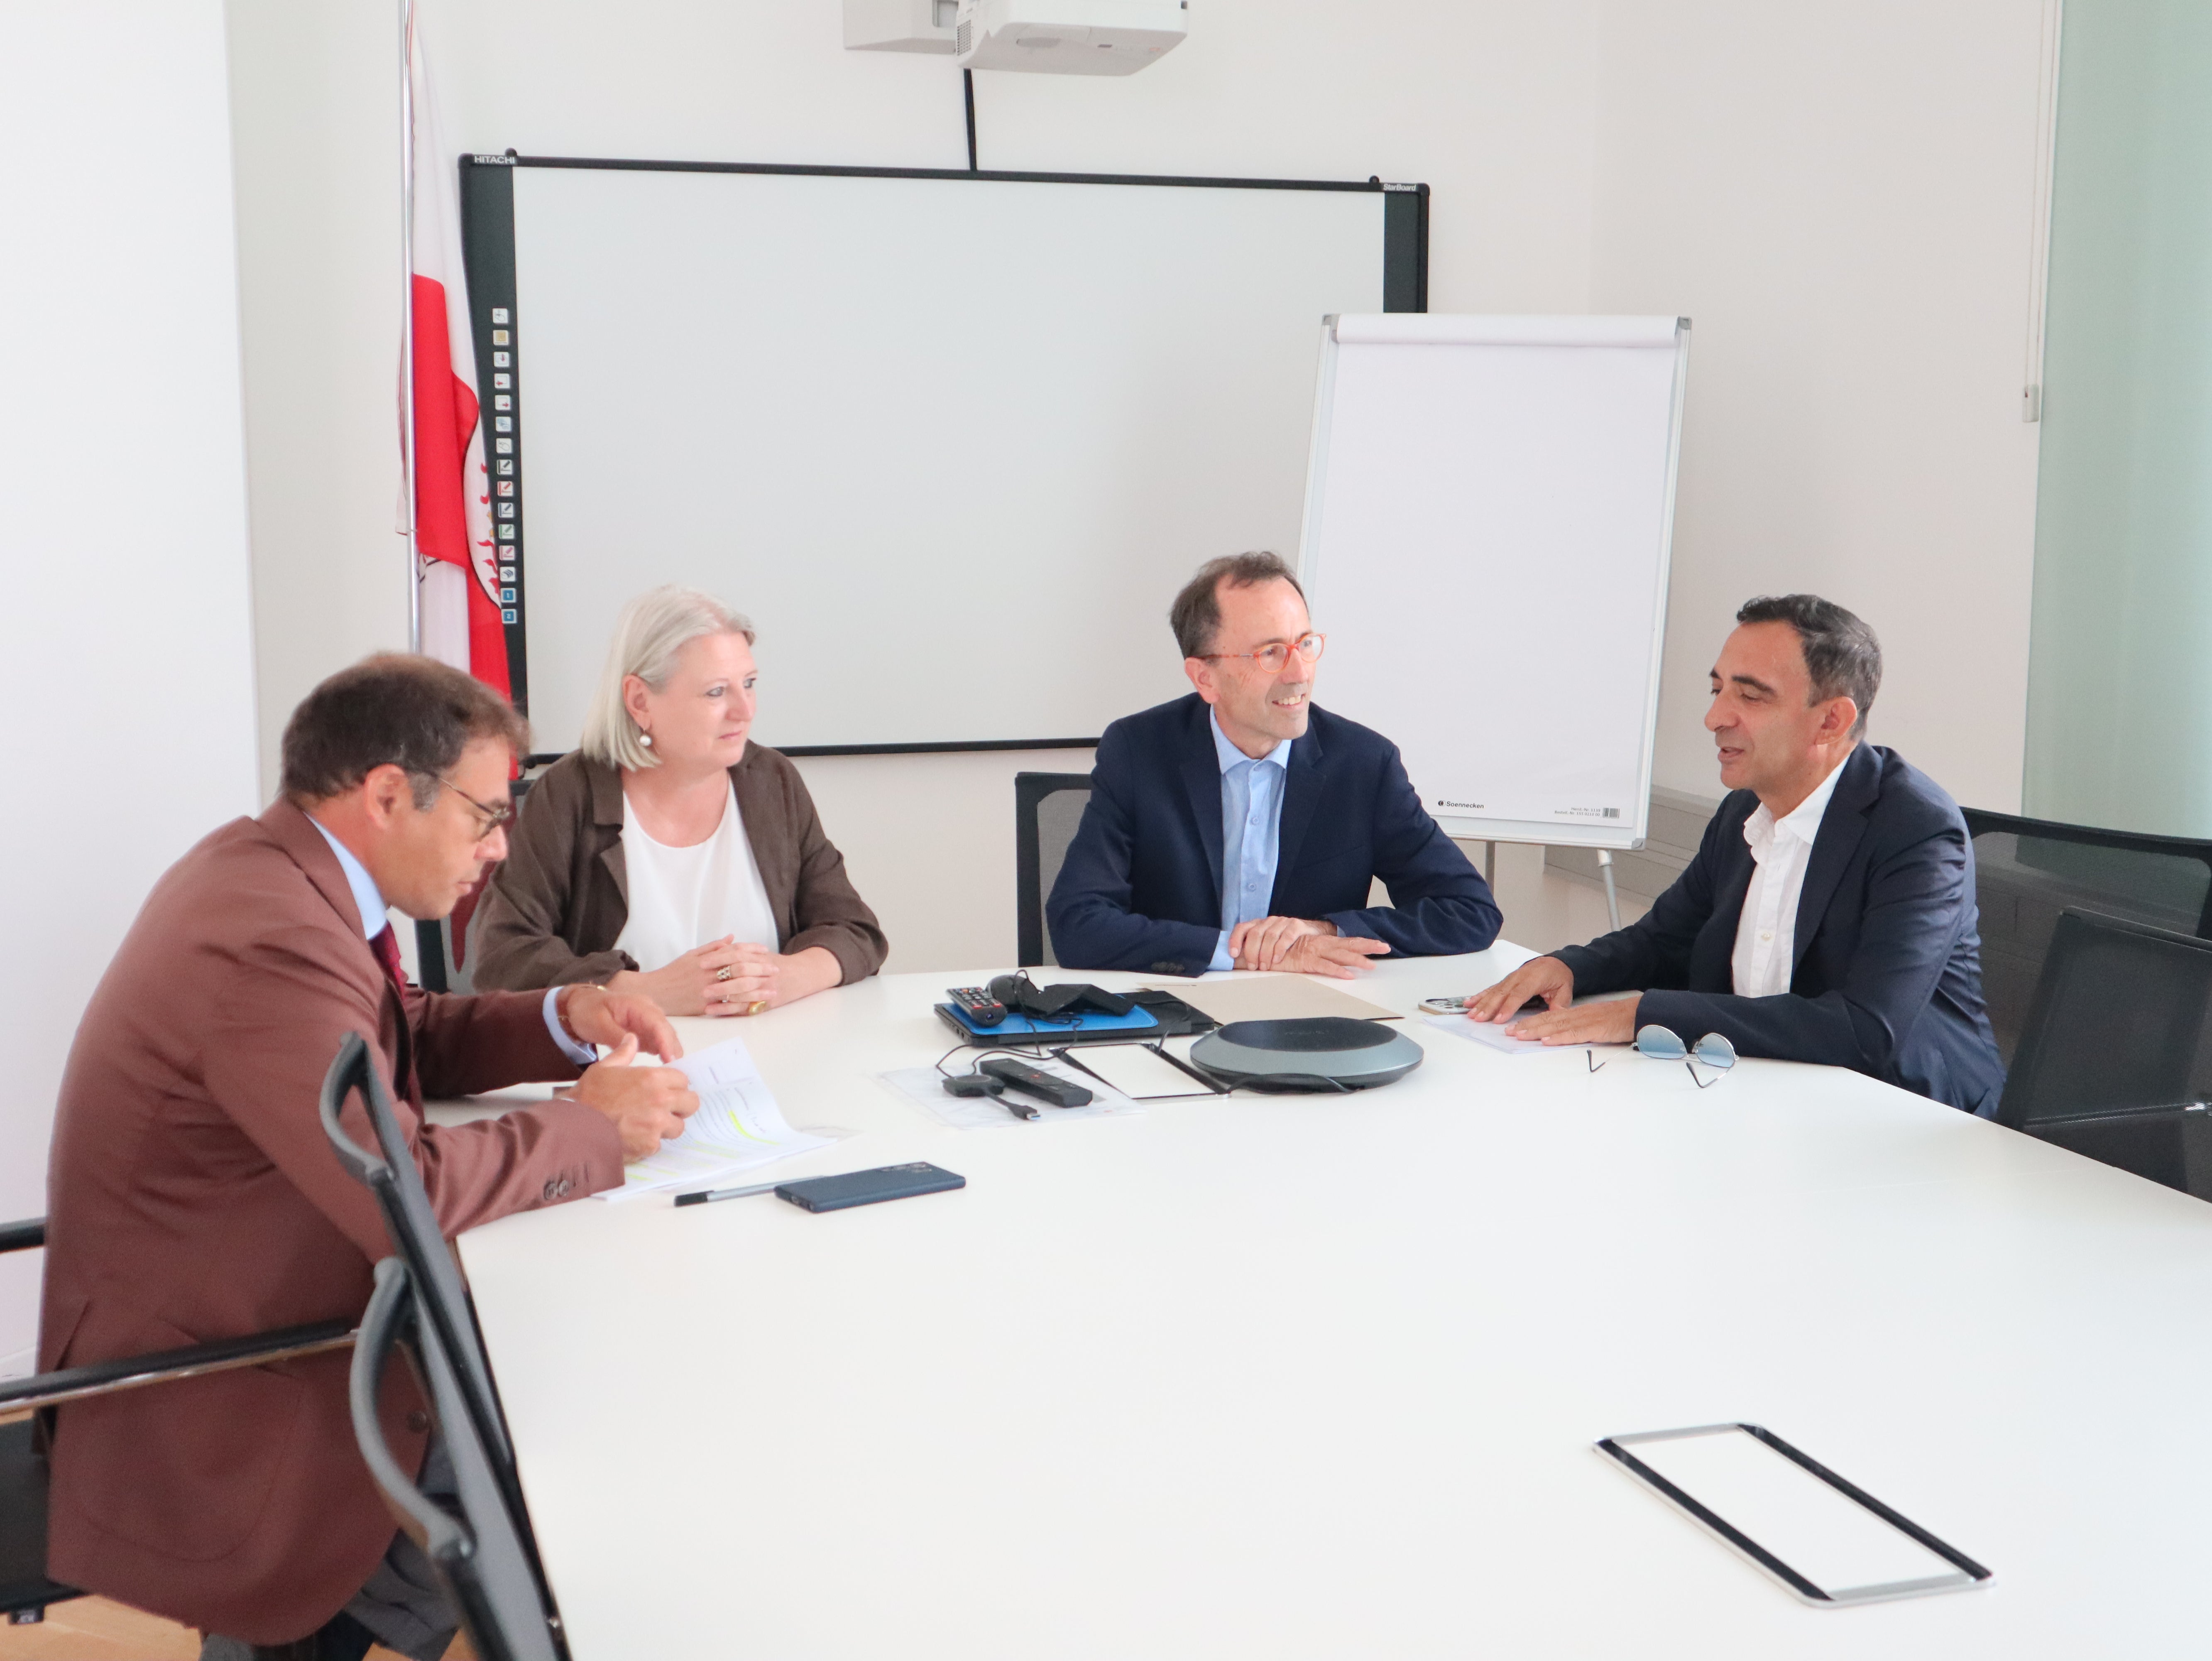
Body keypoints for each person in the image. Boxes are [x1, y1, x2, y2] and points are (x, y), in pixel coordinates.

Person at [38, 654, 700, 1659]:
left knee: (560, 1407)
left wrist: (565, 1016)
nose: (500, 846)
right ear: (388, 793)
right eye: (485, 814)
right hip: (230, 1390)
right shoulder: (268, 934)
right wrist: (592, 1125)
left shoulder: (276, 869)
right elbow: (410, 1192)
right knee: (572, 1463)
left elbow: (397, 1031)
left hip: (272, 1316)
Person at [1467, 594, 2005, 1114]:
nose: (1715, 717)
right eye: (1717, 690)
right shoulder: (1745, 811)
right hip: (1762, 1097)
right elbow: (1664, 941)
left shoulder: (1917, 830)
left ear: (1831, 721)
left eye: (1750, 697)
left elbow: (1864, 1030)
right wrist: (1568, 967)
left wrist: (1643, 1014)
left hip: (1906, 1125)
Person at [1047, 551, 1502, 977]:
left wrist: (1319, 932)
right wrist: (1238, 951)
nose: (1299, 672)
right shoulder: (1138, 751)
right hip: (1180, 1009)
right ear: (1205, 678)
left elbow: (1470, 911)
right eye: (1270, 653)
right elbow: (1078, 924)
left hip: (1311, 1023)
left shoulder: (1363, 764)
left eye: (1305, 644)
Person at [473, 586, 887, 1014]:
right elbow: (504, 958)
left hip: (766, 1058)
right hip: (623, 1065)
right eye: (715, 692)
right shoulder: (568, 795)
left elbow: (856, 931)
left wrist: (784, 978)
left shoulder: (771, 782)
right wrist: (646, 992)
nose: (745, 710)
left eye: (749, 684)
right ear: (640, 701)